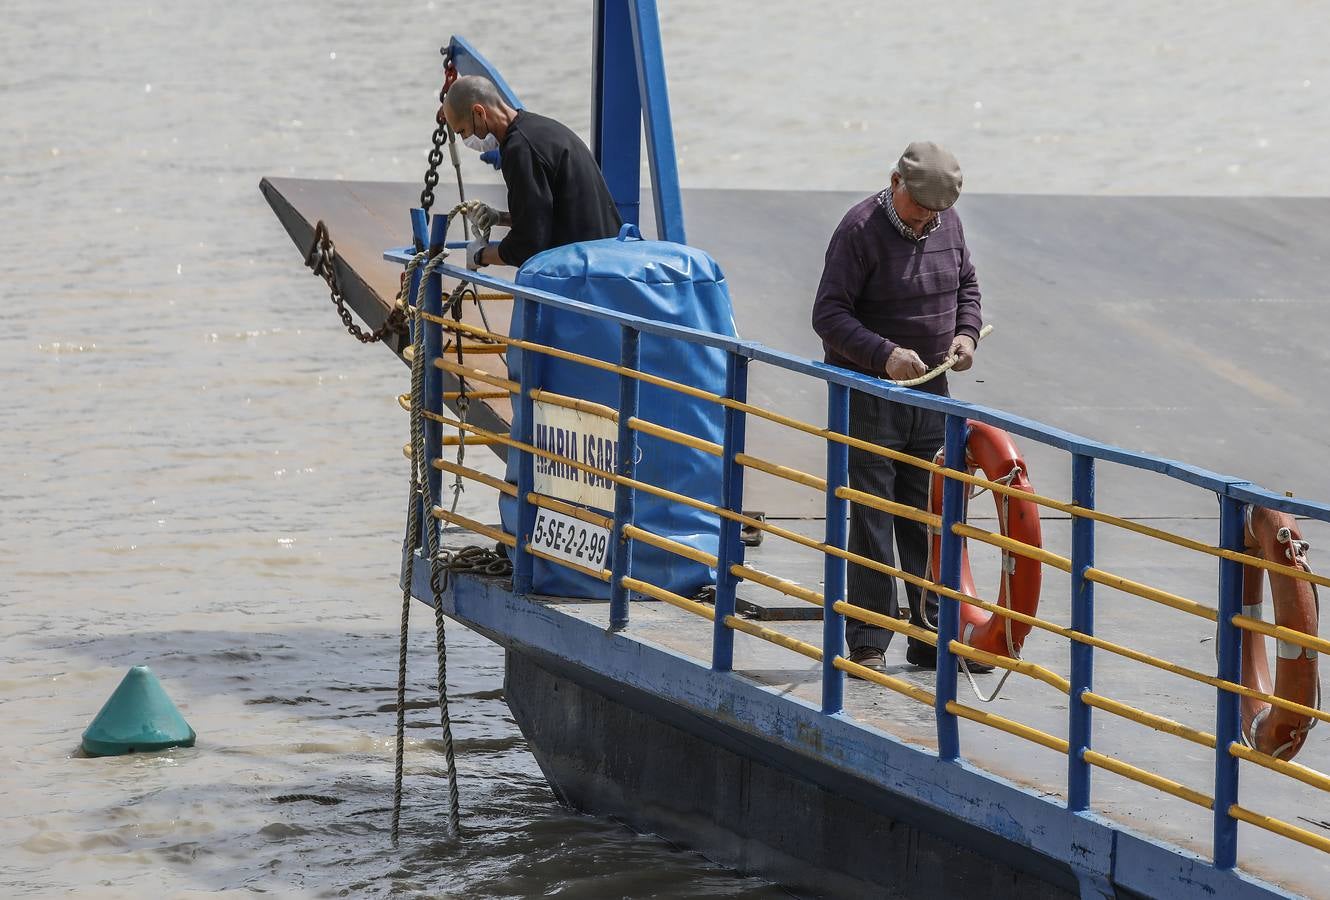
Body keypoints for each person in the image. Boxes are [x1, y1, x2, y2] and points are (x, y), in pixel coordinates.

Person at [810, 141, 985, 673]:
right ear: (895, 184)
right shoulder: (859, 230)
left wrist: (966, 335)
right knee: (872, 513)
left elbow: (967, 287)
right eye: (919, 209)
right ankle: (868, 637)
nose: (927, 221)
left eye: (937, 212)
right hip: (870, 395)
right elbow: (829, 315)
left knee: (930, 514)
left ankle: (929, 633)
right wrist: (884, 355)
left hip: (931, 395)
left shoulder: (946, 226)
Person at [439, 76, 623, 270]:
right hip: (609, 260)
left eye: (463, 131)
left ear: (479, 113)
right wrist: (500, 218)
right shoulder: (539, 129)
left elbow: (527, 246)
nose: (466, 139)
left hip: (585, 275)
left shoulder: (520, 150)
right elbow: (547, 215)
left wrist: (479, 256)